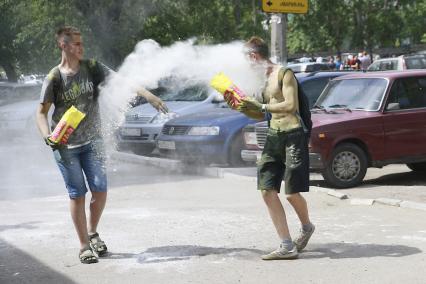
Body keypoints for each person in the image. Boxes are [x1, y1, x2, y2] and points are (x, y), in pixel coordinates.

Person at [35, 26, 168, 264]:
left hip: (93, 140)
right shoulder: (54, 77)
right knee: (77, 195)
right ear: (62, 45)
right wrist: (48, 136)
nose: (81, 47)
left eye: (81, 42)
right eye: (76, 43)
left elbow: (122, 81)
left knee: (100, 191)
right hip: (65, 146)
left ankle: (93, 231)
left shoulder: (92, 68)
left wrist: (149, 95)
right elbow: (41, 113)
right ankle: (84, 245)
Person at [238, 37, 314, 260]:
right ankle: (287, 245)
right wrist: (241, 105)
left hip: (293, 135)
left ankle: (307, 226)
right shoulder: (260, 81)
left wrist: (261, 105)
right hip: (274, 135)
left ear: (254, 56)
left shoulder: (284, 73)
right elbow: (259, 113)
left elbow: (290, 105)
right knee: (267, 189)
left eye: (247, 61)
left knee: (291, 194)